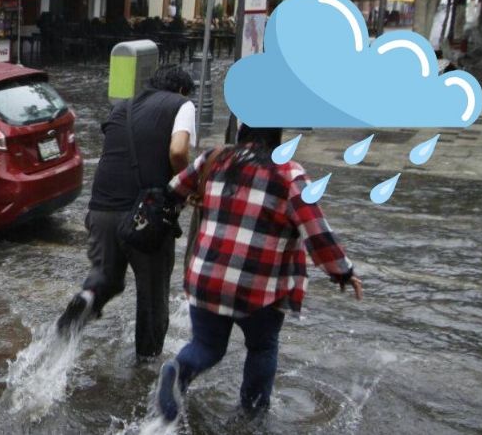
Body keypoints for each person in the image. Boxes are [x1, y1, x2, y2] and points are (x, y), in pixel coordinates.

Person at [155, 125, 364, 421]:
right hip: (259, 288)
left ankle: (177, 372)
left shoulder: (214, 158)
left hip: (206, 276)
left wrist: (200, 197)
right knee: (262, 347)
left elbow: (174, 188)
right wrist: (343, 272)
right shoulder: (290, 174)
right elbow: (316, 233)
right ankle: (251, 415)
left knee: (206, 346)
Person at [56, 65, 197, 360]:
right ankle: (146, 365)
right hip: (146, 216)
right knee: (152, 296)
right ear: (182, 90)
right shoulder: (182, 104)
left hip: (100, 210)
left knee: (107, 277)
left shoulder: (123, 107)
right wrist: (191, 186)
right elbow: (178, 151)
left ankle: (87, 297)